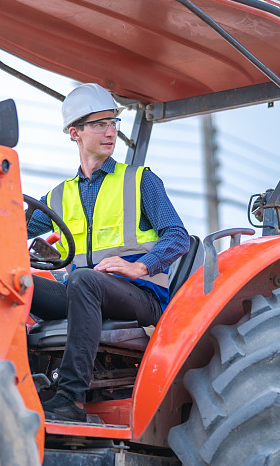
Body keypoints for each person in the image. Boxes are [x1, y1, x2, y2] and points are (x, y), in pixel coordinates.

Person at [27, 83, 189, 422]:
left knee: (84, 281)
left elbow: (177, 236)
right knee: (18, 283)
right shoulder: (57, 196)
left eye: (113, 123)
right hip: (83, 292)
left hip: (140, 298)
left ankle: (70, 399)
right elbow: (12, 227)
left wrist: (141, 267)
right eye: (100, 124)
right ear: (75, 133)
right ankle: (23, 387)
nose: (110, 131)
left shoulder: (140, 180)